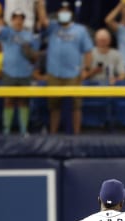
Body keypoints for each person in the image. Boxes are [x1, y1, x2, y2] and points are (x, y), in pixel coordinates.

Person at [38, 0, 93, 135]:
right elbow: (43, 21)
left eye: (66, 11)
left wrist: (86, 69)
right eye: (61, 11)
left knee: (76, 107)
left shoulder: (80, 30)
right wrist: (40, 5)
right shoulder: (52, 27)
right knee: (54, 107)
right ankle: (53, 134)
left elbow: (88, 51)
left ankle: (76, 135)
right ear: (58, 13)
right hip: (54, 73)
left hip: (73, 74)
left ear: (71, 13)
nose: (64, 13)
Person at [0, 7, 40, 136]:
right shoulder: (7, 32)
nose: (18, 21)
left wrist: (29, 52)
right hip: (9, 72)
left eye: (20, 19)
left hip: (25, 72)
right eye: (16, 18)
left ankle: (24, 130)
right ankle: (6, 129)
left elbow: (35, 56)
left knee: (24, 101)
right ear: (12, 20)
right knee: (8, 101)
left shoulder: (29, 35)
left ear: (23, 21)